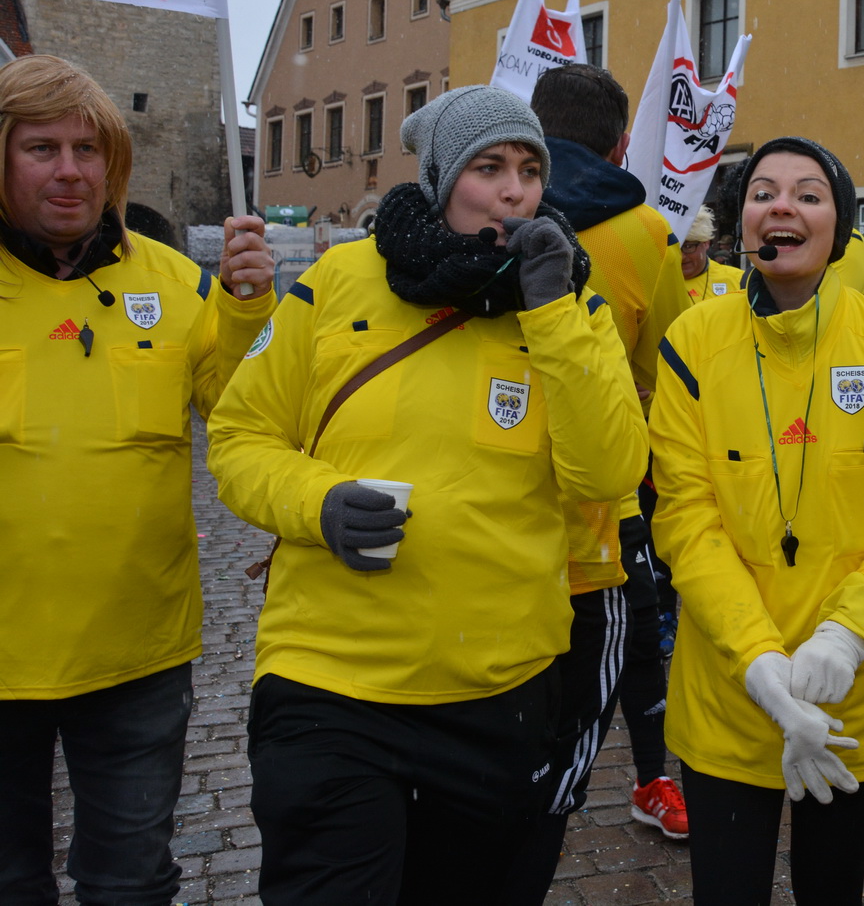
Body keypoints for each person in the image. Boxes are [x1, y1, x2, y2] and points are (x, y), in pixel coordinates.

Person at [207, 85, 647, 904]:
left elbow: (608, 471)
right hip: (331, 683)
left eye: (528, 169)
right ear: (443, 176)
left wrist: (552, 313)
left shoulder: (569, 300)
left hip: (496, 690)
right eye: (489, 167)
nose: (515, 189)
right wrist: (319, 502)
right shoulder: (340, 280)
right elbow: (239, 438)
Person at [648, 136, 864, 906]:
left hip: (857, 698)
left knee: (832, 891)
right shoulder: (692, 344)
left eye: (808, 194)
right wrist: (756, 658)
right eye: (764, 191)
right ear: (740, 220)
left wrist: (846, 634)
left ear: (839, 228)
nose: (782, 205)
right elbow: (688, 520)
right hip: (730, 695)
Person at [0, 55, 275, 905]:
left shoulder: (174, 281)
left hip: (138, 650)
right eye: (41, 148)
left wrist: (243, 312)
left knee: (130, 883)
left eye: (90, 149)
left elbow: (236, 419)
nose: (71, 170)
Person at [520, 63, 693, 882]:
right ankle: (648, 777)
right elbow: (673, 361)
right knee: (624, 649)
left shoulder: (487, 207)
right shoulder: (646, 232)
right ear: (622, 142)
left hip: (489, 480)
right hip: (603, 495)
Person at [682, 204, 744, 304]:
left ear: (706, 243)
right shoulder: (653, 284)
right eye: (674, 248)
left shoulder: (738, 280)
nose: (681, 257)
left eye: (688, 246)